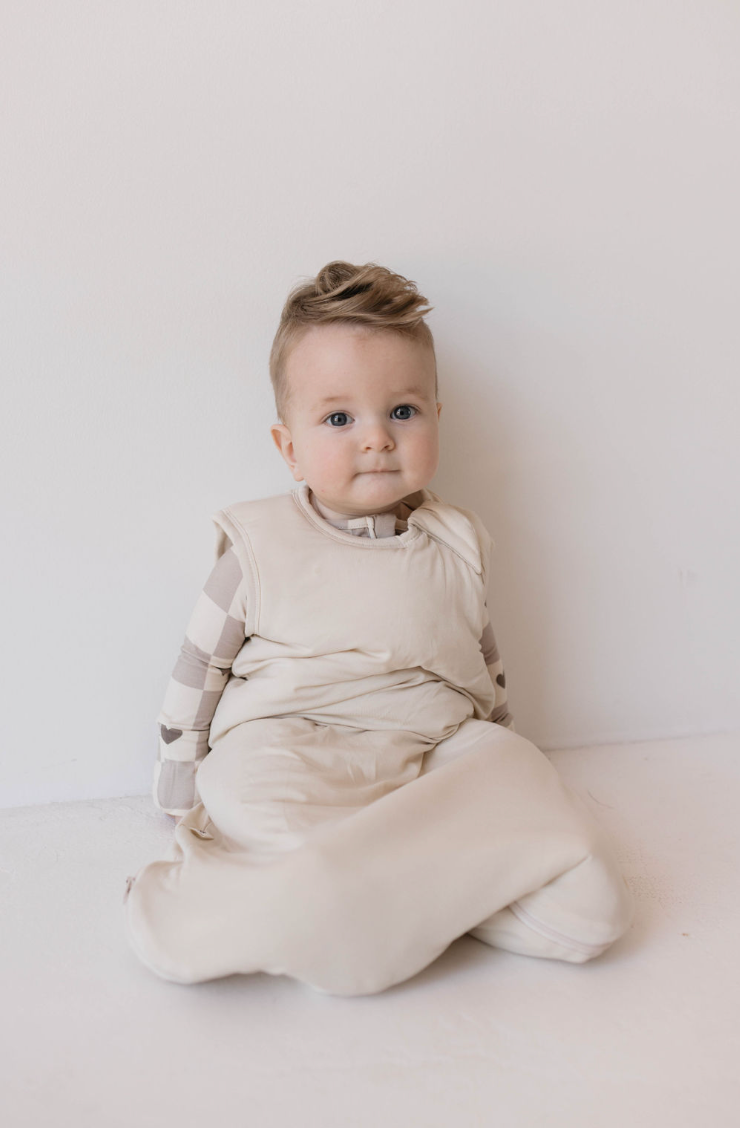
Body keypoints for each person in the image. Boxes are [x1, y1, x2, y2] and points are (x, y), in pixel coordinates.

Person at [123, 260, 634, 996]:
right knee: (268, 810)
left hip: (431, 753)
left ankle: (366, 898)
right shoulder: (259, 547)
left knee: (590, 898)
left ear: (436, 415)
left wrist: (497, 754)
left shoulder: (459, 540)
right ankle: (386, 890)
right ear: (288, 445)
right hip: (295, 754)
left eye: (402, 411)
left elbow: (482, 664)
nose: (377, 438)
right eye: (338, 418)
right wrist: (177, 786)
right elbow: (198, 672)